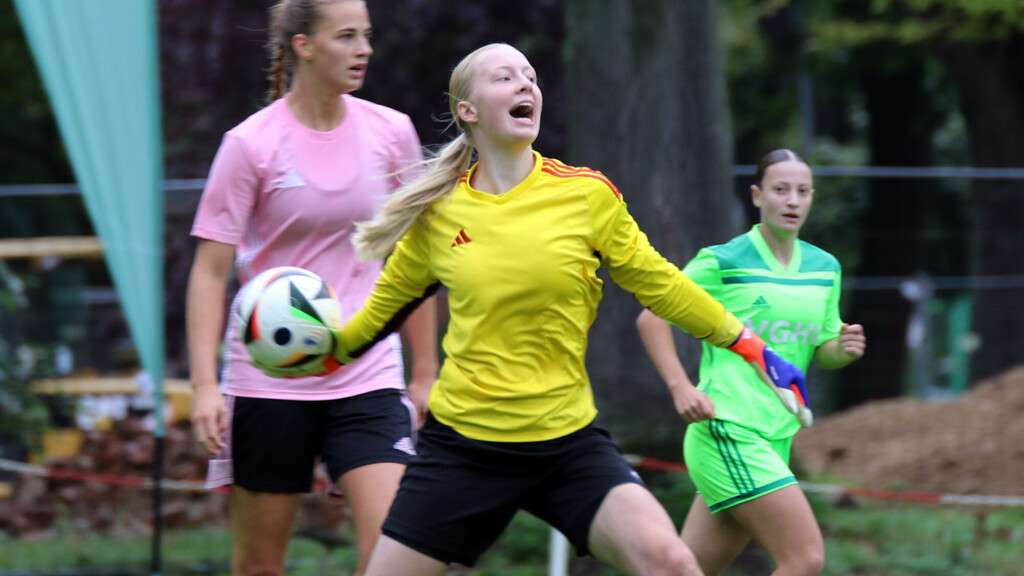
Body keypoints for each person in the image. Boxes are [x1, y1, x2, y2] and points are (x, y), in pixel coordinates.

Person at [314, 43, 806, 576]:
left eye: (530, 76)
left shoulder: (586, 196)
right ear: (468, 111)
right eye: (505, 78)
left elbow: (662, 284)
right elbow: (376, 318)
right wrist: (315, 352)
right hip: (462, 450)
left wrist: (752, 347)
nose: (526, 85)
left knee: (671, 563)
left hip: (566, 445)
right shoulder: (439, 215)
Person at [185, 1, 438, 575]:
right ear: (304, 46)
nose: (364, 49)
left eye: (367, 36)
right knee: (258, 566)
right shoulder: (250, 145)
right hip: (270, 379)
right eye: (347, 37)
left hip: (367, 372)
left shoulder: (391, 132)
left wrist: (425, 374)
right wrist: (204, 386)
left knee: (394, 558)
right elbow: (208, 270)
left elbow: (417, 259)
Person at [636, 149, 867, 575]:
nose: (793, 201)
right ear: (758, 196)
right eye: (781, 190)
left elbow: (823, 350)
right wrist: (680, 387)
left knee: (686, 571)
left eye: (802, 191)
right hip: (728, 430)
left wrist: (843, 349)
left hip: (777, 437)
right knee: (805, 558)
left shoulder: (825, 268)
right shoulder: (724, 261)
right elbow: (652, 317)